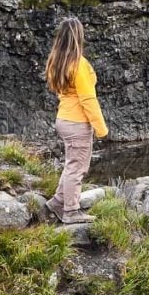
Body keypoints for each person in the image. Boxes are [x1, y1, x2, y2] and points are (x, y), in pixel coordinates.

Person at [44, 17, 108, 224]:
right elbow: (88, 98)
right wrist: (101, 128)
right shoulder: (79, 64)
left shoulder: (56, 60)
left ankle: (57, 202)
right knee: (77, 167)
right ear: (78, 36)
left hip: (64, 118)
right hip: (77, 122)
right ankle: (71, 211)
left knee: (71, 164)